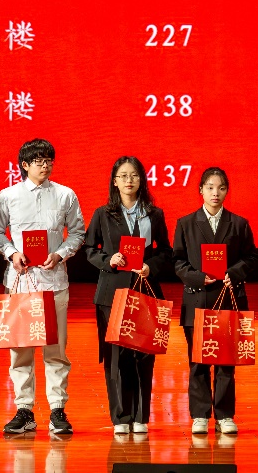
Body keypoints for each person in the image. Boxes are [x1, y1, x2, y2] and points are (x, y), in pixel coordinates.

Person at [0, 138, 86, 435]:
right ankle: (24, 410)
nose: (45, 165)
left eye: (49, 160)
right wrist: (11, 253)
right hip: (20, 282)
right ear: (25, 165)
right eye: (38, 161)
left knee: (55, 350)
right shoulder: (8, 196)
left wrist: (60, 254)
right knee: (20, 350)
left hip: (53, 282)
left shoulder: (66, 195)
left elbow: (78, 232)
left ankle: (57, 409)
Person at [85, 156, 173, 434]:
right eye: (123, 176)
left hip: (145, 289)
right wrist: (108, 259)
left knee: (144, 354)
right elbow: (89, 249)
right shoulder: (103, 214)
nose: (129, 180)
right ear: (115, 181)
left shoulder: (154, 214)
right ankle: (121, 418)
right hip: (112, 293)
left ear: (141, 180)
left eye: (134, 175)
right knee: (116, 356)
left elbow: (166, 251)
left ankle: (140, 417)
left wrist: (151, 266)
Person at [172, 167, 258, 435]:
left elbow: (251, 257)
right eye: (210, 187)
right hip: (197, 299)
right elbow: (178, 261)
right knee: (198, 360)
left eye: (221, 188)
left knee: (225, 361)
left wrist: (235, 273)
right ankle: (199, 414)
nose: (215, 193)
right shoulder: (186, 223)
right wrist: (197, 277)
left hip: (228, 299)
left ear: (226, 191)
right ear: (201, 190)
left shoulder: (239, 223)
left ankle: (224, 415)